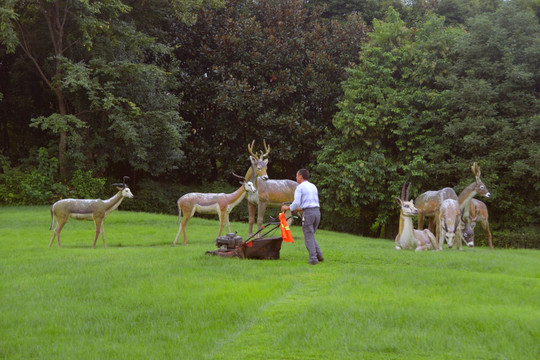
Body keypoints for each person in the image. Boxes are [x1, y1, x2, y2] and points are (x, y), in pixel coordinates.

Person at [281, 169, 324, 265]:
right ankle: (319, 255)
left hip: (308, 214)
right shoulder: (313, 186)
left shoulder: (300, 187)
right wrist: (300, 208)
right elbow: (310, 202)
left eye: (297, 175)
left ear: (300, 176)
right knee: (311, 234)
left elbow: (296, 203)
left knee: (308, 236)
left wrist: (288, 208)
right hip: (317, 212)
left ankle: (313, 259)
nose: (296, 177)